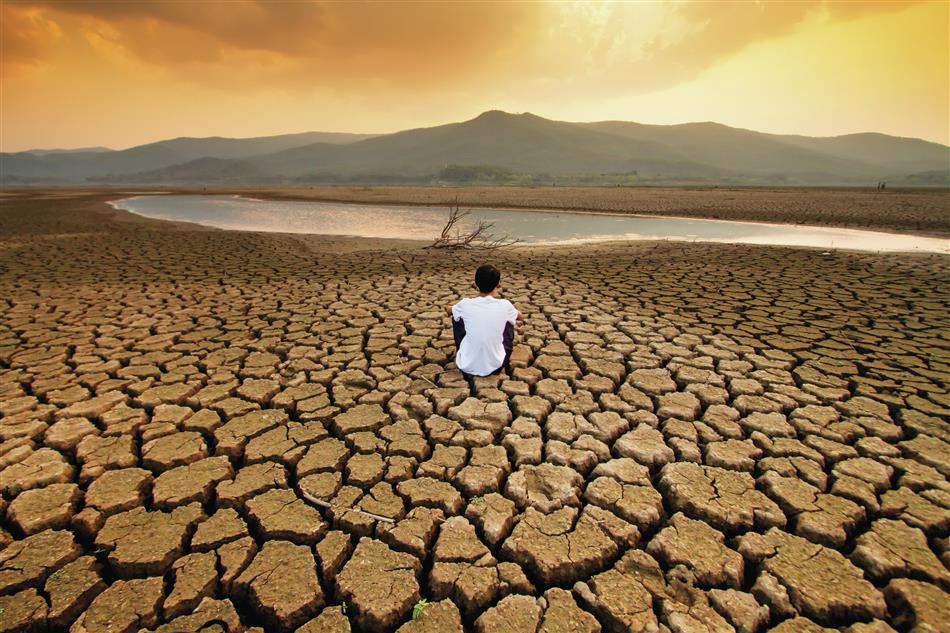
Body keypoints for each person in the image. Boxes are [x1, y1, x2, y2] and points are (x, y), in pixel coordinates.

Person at [449, 264, 521, 376]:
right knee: (509, 319)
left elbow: (448, 310)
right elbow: (520, 316)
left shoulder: (465, 304)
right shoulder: (505, 305)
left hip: (466, 364)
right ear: (498, 284)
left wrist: (456, 309)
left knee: (456, 315)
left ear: (476, 283)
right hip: (497, 365)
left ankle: (465, 351)